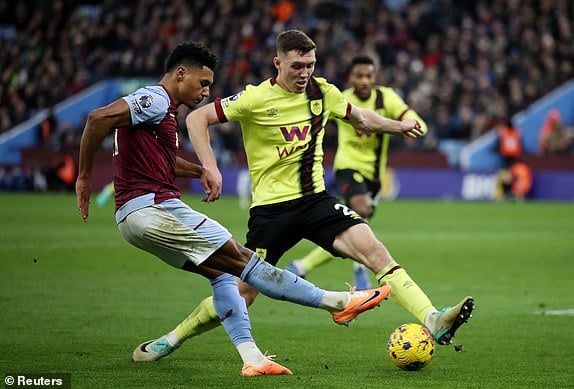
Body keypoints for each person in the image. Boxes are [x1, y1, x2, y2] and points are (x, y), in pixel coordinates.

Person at [133, 30, 474, 364]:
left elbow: (360, 116)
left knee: (375, 251)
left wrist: (398, 127)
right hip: (271, 212)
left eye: (310, 64)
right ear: (277, 63)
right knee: (242, 294)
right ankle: (172, 339)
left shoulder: (323, 92)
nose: (305, 73)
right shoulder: (255, 98)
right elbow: (197, 118)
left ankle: (432, 319)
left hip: (316, 202)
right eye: (297, 66)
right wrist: (210, 166)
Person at [75, 41, 393, 377]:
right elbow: (98, 118)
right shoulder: (155, 99)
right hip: (155, 208)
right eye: (203, 82)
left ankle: (253, 359)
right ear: (180, 73)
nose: (205, 91)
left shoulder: (162, 116)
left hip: (132, 219)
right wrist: (83, 177)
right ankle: (339, 303)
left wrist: (199, 170)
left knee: (224, 276)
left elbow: (164, 163)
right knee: (246, 263)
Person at [286, 55, 428, 290]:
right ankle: (359, 270)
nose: (364, 80)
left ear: (375, 77)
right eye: (359, 76)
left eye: (369, 76)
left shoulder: (386, 97)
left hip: (374, 176)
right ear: (351, 77)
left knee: (353, 230)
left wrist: (414, 124)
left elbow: (411, 116)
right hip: (348, 168)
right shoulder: (341, 99)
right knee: (360, 212)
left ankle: (301, 266)